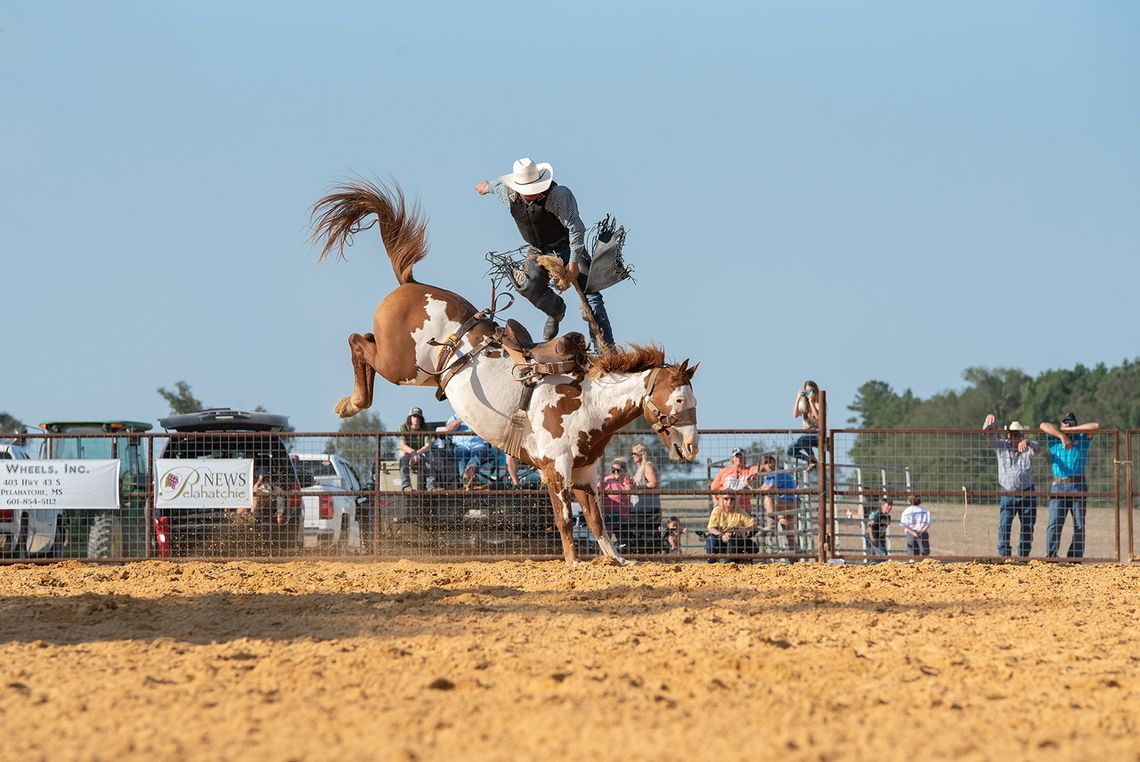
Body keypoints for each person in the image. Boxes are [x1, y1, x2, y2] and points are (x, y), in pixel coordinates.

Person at [475, 157, 614, 346]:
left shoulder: (557, 196)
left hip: (567, 246)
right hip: (538, 250)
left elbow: (575, 227)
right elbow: (495, 186)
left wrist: (573, 262)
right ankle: (556, 310)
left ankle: (605, 348)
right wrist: (486, 186)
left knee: (592, 296)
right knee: (528, 286)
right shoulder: (508, 192)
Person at [1039, 412, 1100, 559]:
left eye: (1070, 422)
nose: (1067, 424)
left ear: (1075, 425)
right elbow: (1042, 425)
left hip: (1077, 484)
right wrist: (1062, 436)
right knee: (1054, 523)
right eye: (1065, 422)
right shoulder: (1054, 438)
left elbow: (1096, 426)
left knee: (1079, 523)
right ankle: (1051, 556)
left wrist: (1071, 431)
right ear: (1060, 425)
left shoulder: (1083, 438)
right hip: (1058, 484)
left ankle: (1074, 557)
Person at [982, 414, 1041, 558]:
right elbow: (987, 434)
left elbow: (1038, 449)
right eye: (1011, 434)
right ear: (1007, 435)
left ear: (1021, 435)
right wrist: (988, 423)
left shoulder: (1027, 447)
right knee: (1004, 525)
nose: (1014, 438)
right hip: (1007, 492)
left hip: (1027, 492)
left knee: (1027, 526)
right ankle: (1004, 556)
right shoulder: (1001, 446)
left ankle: (1023, 557)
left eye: (1017, 435)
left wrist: (1027, 442)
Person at [757, 455, 798, 552]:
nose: (769, 465)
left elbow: (768, 488)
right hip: (787, 501)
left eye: (771, 462)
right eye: (766, 463)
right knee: (788, 530)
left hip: (787, 501)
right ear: (763, 466)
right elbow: (762, 488)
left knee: (768, 496)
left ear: (775, 463)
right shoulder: (772, 474)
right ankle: (796, 554)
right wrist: (751, 488)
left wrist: (752, 489)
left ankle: (771, 524)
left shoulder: (775, 473)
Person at [628, 442, 662, 551]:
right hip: (642, 507)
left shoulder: (647, 466)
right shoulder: (640, 468)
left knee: (649, 534)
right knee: (640, 533)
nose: (632, 456)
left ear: (641, 454)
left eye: (634, 453)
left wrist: (637, 488)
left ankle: (651, 556)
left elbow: (653, 483)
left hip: (648, 508)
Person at [705, 494, 757, 563]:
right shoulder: (717, 511)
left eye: (732, 499)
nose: (729, 501)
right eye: (726, 499)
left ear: (735, 500)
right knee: (711, 539)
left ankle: (730, 564)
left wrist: (742, 529)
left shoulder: (740, 511)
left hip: (735, 539)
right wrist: (722, 535)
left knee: (733, 540)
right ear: (721, 500)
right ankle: (712, 564)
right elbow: (711, 528)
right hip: (720, 538)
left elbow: (753, 525)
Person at [445, 414, 490, 489]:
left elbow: (489, 428)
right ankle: (474, 482)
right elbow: (448, 429)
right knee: (462, 462)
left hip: (479, 444)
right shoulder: (457, 415)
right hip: (461, 445)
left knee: (476, 457)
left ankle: (468, 482)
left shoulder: (482, 413)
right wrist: (462, 418)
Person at [709, 448, 759, 514]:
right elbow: (713, 488)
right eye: (736, 456)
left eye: (741, 457)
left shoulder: (749, 470)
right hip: (724, 507)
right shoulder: (724, 471)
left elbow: (761, 468)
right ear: (732, 458)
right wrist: (716, 502)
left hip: (743, 508)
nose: (739, 459)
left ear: (745, 458)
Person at [398, 406, 436, 491]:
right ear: (410, 418)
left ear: (421, 419)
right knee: (403, 455)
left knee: (430, 456)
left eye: (419, 417)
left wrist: (417, 453)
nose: (416, 419)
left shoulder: (427, 428)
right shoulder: (403, 427)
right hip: (407, 451)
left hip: (421, 451)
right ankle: (406, 486)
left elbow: (428, 445)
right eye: (414, 416)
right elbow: (403, 445)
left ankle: (431, 486)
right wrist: (412, 453)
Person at [787, 380, 821, 470]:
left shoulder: (819, 403)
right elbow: (795, 415)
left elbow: (819, 418)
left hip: (817, 435)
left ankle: (812, 460)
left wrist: (811, 402)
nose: (809, 394)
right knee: (790, 450)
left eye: (811, 391)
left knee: (802, 439)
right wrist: (798, 398)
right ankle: (810, 460)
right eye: (807, 391)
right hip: (806, 436)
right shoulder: (804, 404)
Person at [602, 456, 634, 544]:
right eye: (613, 470)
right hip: (610, 516)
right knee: (606, 540)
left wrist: (629, 486)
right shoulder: (607, 481)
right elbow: (597, 490)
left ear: (624, 470)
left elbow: (630, 495)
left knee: (624, 543)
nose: (615, 472)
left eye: (618, 470)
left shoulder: (627, 482)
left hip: (624, 518)